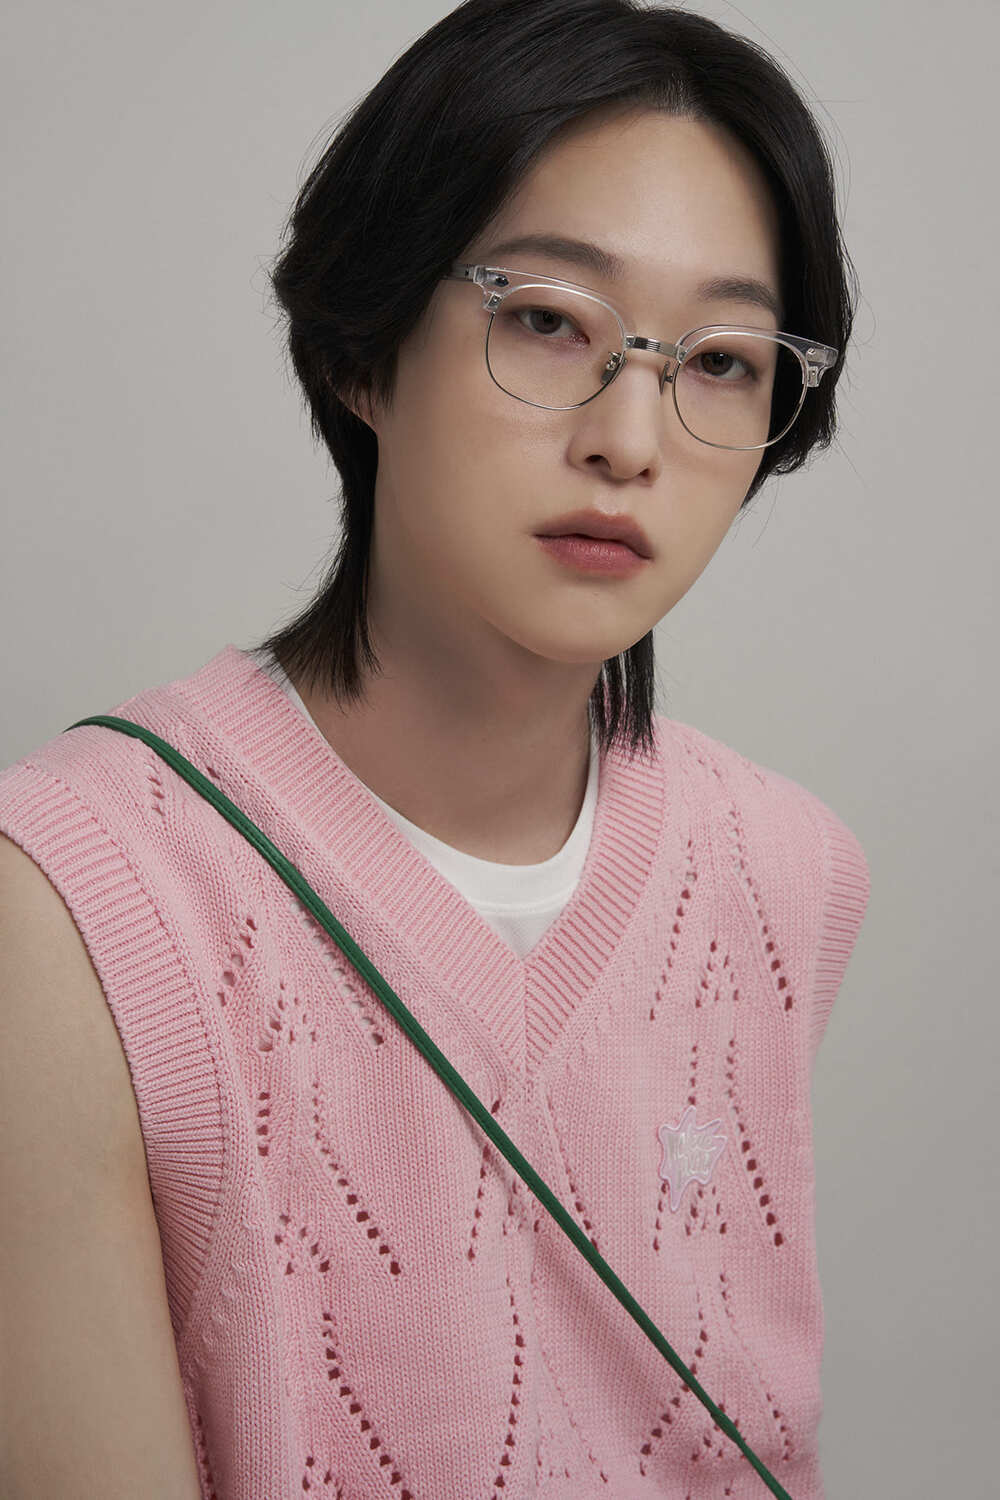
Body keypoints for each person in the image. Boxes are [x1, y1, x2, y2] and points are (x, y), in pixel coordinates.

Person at [0, 1, 869, 1496]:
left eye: (722, 360)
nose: (631, 439)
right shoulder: (71, 910)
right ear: (364, 348)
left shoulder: (786, 873)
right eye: (548, 319)